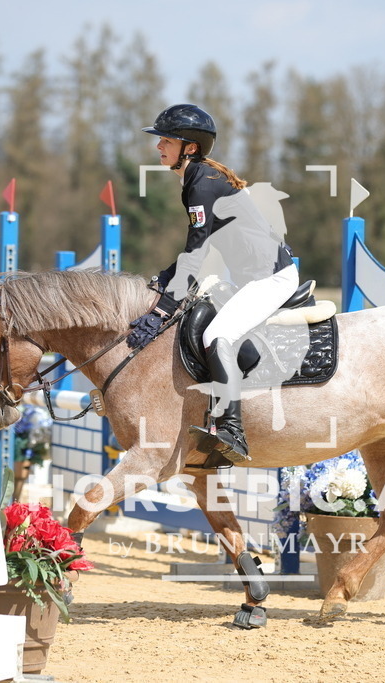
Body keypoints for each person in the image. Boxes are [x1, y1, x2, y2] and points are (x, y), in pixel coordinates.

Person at [138, 103, 299, 463]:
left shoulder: (202, 184)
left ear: (189, 148)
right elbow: (199, 248)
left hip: (270, 278)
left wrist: (164, 307)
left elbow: (195, 254)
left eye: (166, 140)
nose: (158, 147)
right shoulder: (200, 179)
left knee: (217, 335)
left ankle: (232, 430)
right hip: (249, 277)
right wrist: (164, 279)